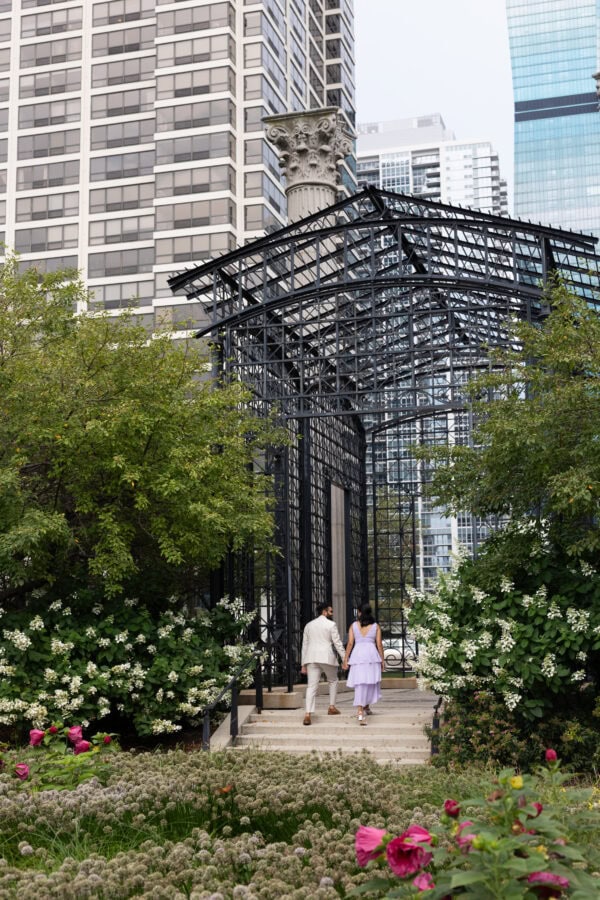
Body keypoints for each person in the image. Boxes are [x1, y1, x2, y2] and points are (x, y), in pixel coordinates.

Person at [300, 602, 346, 726]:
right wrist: (345, 658)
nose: (332, 614)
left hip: (311, 657)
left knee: (311, 686)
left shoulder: (309, 625)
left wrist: (303, 663)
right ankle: (331, 707)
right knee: (333, 680)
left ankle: (308, 714)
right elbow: (337, 643)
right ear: (324, 612)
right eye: (330, 611)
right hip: (326, 657)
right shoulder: (331, 624)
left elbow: (304, 645)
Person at [342, 603, 384, 725]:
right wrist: (382, 660)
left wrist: (346, 659)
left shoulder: (353, 626)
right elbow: (379, 644)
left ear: (359, 612)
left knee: (360, 682)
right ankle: (362, 709)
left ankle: (363, 708)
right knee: (369, 681)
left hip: (358, 654)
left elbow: (350, 643)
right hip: (371, 655)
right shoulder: (376, 626)